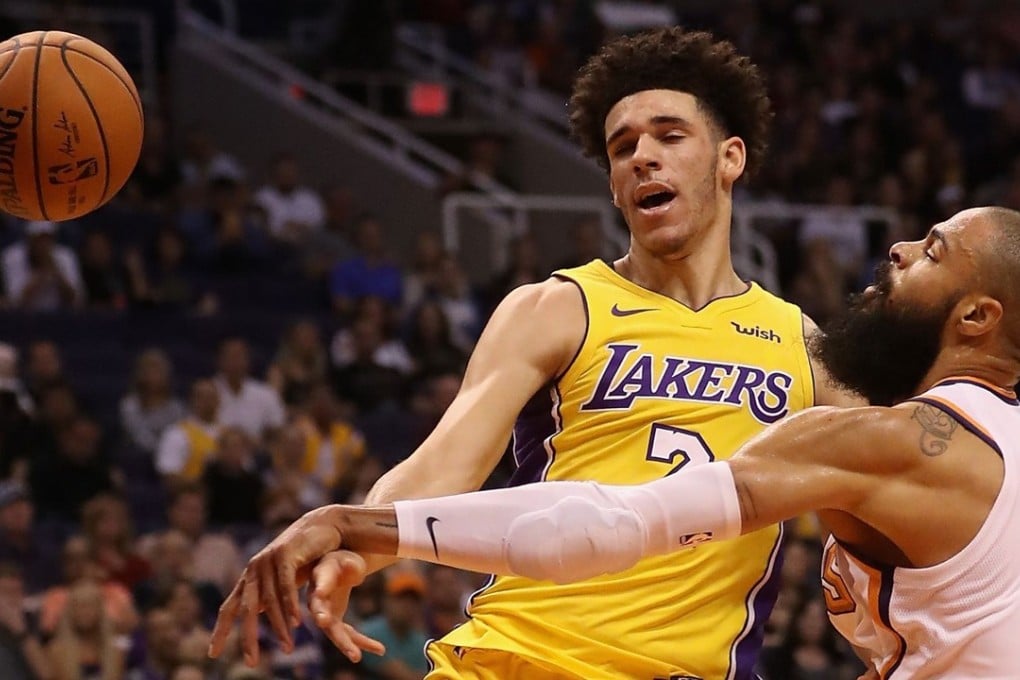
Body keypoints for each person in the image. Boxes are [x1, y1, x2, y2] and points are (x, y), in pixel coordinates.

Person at [211, 27, 860, 679]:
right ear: (614, 188)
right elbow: (445, 463)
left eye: (669, 136)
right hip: (523, 657)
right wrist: (359, 543)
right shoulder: (558, 307)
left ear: (729, 158)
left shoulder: (802, 345)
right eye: (622, 147)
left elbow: (899, 481)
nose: (642, 157)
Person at [223, 206, 1020, 678]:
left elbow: (611, 523)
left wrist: (355, 523)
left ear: (979, 317)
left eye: (932, 251)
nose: (899, 249)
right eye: (621, 143)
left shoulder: (884, 439)